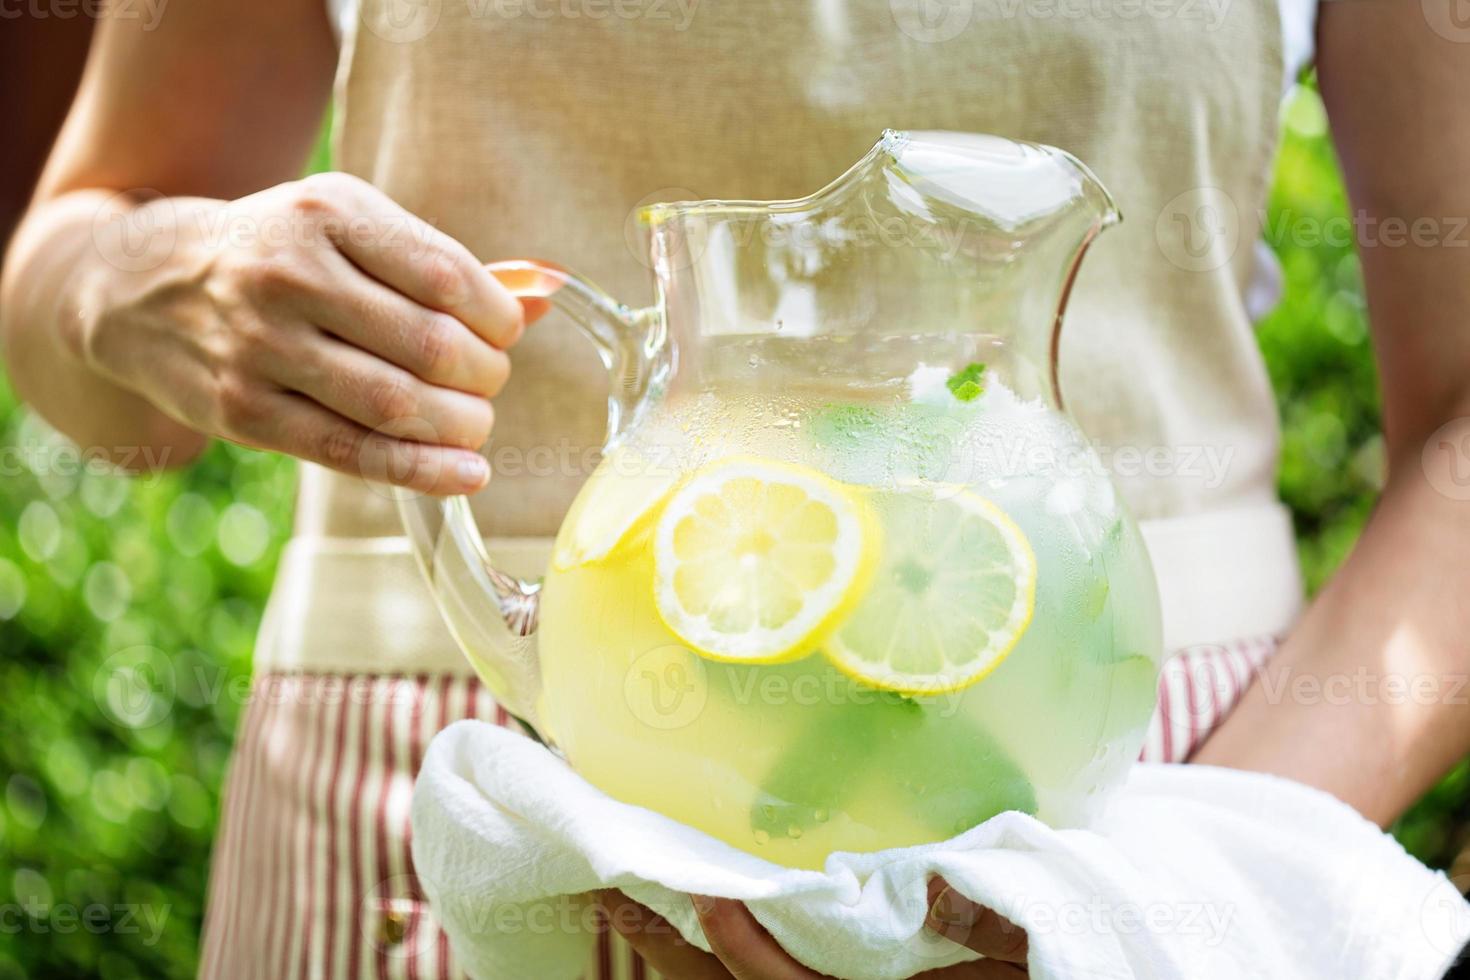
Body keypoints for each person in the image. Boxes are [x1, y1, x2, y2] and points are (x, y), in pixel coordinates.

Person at [3, 0, 1468, 977]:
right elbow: (82, 237)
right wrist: (131, 279)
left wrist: (1137, 911)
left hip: (1148, 779)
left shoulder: (1141, 879)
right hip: (439, 784)